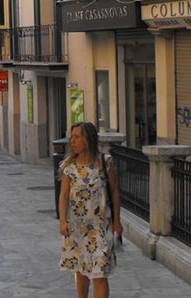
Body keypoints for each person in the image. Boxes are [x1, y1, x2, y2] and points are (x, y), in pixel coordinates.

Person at [59, 122, 122, 298]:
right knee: (81, 270)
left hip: (101, 227)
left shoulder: (105, 162)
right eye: (72, 137)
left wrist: (117, 220)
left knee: (100, 272)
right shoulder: (68, 168)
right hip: (76, 228)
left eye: (77, 136)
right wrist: (63, 221)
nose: (73, 141)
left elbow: (115, 192)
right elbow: (63, 196)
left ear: (88, 139)